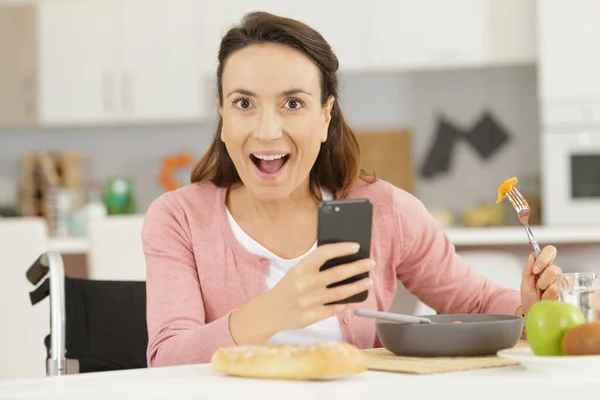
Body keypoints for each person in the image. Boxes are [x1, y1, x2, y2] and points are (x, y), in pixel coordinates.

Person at [141, 11, 562, 368]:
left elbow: (472, 302)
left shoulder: (386, 210)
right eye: (243, 103)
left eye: (293, 103)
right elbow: (165, 359)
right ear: (222, 112)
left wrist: (529, 308)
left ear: (325, 116)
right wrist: (275, 310)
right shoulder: (178, 218)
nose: (267, 131)